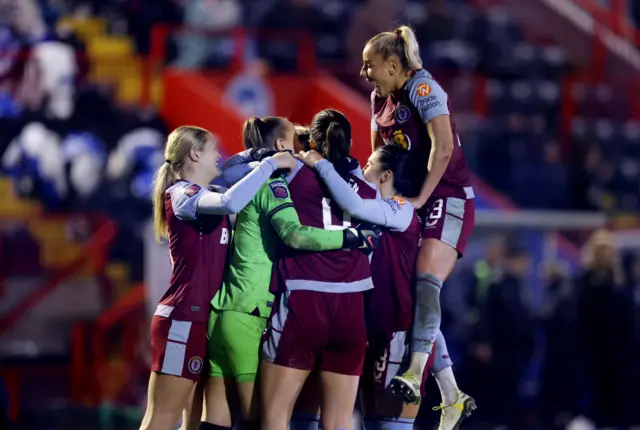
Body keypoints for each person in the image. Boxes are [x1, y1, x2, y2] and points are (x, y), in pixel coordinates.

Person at [201, 116, 377, 430]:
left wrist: (263, 157)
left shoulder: (284, 175)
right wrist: (352, 238)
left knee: (255, 418)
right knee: (332, 422)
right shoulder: (365, 188)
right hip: (342, 306)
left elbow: (228, 171)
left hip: (268, 303)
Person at [140, 125, 297, 430]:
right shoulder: (183, 193)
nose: (219, 156)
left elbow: (232, 171)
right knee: (162, 417)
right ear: (195, 153)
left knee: (191, 419)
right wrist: (269, 163)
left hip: (198, 318)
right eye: (213, 148)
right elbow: (231, 203)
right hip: (183, 317)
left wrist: (258, 153)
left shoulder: (206, 192)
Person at [363, 25, 476, 428]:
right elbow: (378, 155)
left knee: (426, 277)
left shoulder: (424, 89)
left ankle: (414, 369)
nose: (365, 73)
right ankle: (451, 393)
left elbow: (443, 147)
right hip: (412, 200)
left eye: (370, 65)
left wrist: (423, 198)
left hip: (447, 196)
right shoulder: (380, 97)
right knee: (409, 287)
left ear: (394, 65)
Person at [298, 143, 456, 430]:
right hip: (370, 325)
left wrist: (321, 164)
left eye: (370, 164)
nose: (364, 169)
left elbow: (354, 203)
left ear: (386, 176)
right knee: (371, 418)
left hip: (394, 328)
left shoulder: (400, 208)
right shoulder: (379, 212)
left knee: (389, 420)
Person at [259, 109, 381, 430]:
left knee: (274, 415)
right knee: (339, 421)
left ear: (311, 141)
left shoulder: (291, 173)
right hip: (353, 306)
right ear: (351, 143)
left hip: (304, 297)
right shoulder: (368, 190)